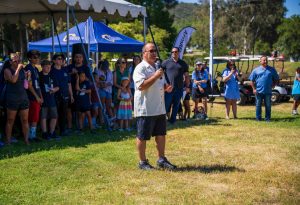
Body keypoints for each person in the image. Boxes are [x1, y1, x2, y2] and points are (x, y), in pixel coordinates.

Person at [133, 43, 176, 170]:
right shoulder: (140, 68)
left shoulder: (157, 68)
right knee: (142, 136)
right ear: (144, 53)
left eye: (155, 51)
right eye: (151, 51)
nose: (154, 53)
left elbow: (159, 84)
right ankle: (142, 162)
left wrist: (166, 88)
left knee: (161, 135)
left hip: (159, 108)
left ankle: (161, 159)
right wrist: (156, 76)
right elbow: (141, 86)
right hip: (146, 109)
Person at [3, 54, 30, 145]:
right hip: (12, 98)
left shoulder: (22, 70)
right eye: (15, 61)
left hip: (23, 97)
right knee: (10, 120)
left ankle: (27, 140)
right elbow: (13, 80)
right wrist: (18, 69)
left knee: (25, 120)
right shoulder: (7, 70)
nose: (18, 62)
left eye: (19, 61)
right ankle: (8, 141)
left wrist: (28, 77)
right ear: (10, 62)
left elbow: (27, 86)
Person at [162, 47, 189, 124]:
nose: (174, 53)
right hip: (169, 89)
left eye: (176, 52)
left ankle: (173, 120)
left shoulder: (183, 63)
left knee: (176, 105)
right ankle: (163, 121)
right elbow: (160, 73)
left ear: (179, 53)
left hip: (179, 88)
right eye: (172, 52)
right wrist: (164, 85)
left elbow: (186, 76)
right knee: (166, 105)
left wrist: (187, 86)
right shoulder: (166, 62)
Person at [249, 55, 279, 121]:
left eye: (266, 60)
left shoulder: (272, 69)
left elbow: (276, 78)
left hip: (268, 91)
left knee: (268, 105)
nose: (265, 61)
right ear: (260, 61)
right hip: (258, 91)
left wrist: (274, 84)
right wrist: (254, 89)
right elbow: (251, 80)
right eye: (264, 60)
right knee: (258, 105)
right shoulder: (255, 70)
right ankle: (258, 118)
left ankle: (267, 118)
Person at [50, 53, 74, 136]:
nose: (61, 60)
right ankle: (53, 131)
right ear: (54, 60)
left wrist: (71, 95)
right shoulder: (51, 70)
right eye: (59, 58)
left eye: (62, 59)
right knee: (54, 115)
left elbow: (69, 84)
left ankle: (63, 131)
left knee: (63, 114)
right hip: (54, 96)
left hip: (65, 95)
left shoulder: (65, 70)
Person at [25, 50, 43, 142]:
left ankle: (33, 135)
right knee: (31, 118)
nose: (37, 59)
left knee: (35, 117)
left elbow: (37, 85)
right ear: (29, 58)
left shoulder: (36, 69)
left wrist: (41, 96)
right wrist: (36, 97)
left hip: (37, 97)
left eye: (38, 57)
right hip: (31, 98)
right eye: (34, 57)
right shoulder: (28, 69)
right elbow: (29, 85)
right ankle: (30, 136)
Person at [39, 60, 59, 140]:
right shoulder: (39, 76)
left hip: (52, 100)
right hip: (43, 100)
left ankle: (52, 132)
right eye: (47, 66)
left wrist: (54, 89)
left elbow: (58, 87)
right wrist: (40, 97)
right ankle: (44, 133)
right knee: (43, 117)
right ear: (42, 66)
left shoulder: (52, 75)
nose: (48, 68)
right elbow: (37, 88)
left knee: (54, 116)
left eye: (49, 67)